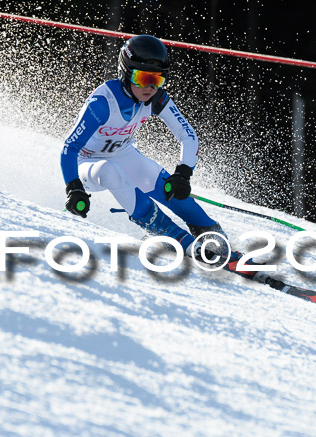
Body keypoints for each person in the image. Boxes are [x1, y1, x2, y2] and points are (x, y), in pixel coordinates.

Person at [60, 34, 258, 278]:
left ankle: (214, 239)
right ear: (126, 73)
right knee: (110, 172)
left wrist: (183, 173)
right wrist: (74, 188)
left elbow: (188, 136)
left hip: (123, 153)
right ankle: (177, 239)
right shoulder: (102, 103)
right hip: (86, 162)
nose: (149, 87)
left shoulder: (156, 99)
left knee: (166, 186)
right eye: (142, 78)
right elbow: (69, 148)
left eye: (157, 80)